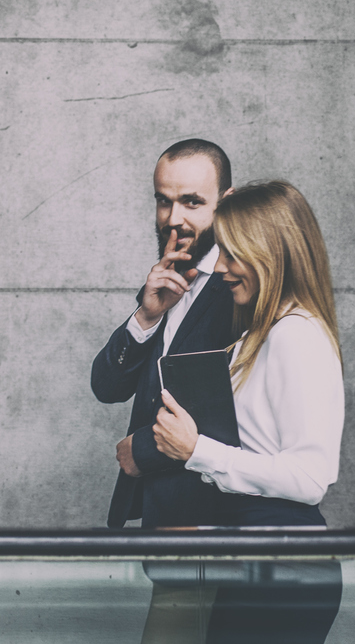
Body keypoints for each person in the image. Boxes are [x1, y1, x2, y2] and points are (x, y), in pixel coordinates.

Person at [153, 180, 344, 643]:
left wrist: (197, 450)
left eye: (233, 254)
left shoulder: (297, 336)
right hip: (256, 554)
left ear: (271, 254)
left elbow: (310, 477)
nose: (221, 267)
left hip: (283, 561)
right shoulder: (262, 334)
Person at [91, 139, 238, 530]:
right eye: (163, 201)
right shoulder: (164, 282)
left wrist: (143, 450)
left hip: (212, 518)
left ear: (226, 204)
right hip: (162, 516)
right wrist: (146, 316)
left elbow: (241, 416)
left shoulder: (242, 289)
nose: (173, 219)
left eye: (192, 202)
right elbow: (107, 388)